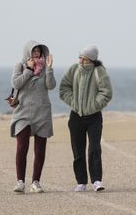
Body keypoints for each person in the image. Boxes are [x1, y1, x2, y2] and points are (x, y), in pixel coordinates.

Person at [59, 45, 112, 192]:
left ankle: (97, 181)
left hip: (94, 117)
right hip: (76, 116)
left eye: (84, 58)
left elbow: (106, 92)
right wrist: (74, 103)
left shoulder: (99, 71)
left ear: (92, 60)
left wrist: (94, 106)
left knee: (94, 149)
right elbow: (64, 88)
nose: (81, 60)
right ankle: (81, 182)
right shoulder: (73, 69)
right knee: (78, 150)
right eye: (80, 57)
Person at [10, 40, 56, 193]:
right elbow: (16, 84)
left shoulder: (45, 67)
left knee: (40, 149)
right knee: (22, 147)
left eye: (39, 50)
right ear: (28, 52)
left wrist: (49, 69)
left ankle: (36, 182)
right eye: (34, 50)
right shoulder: (20, 65)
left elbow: (51, 85)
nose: (37, 52)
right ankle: (20, 182)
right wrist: (29, 69)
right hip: (23, 112)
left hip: (42, 112)